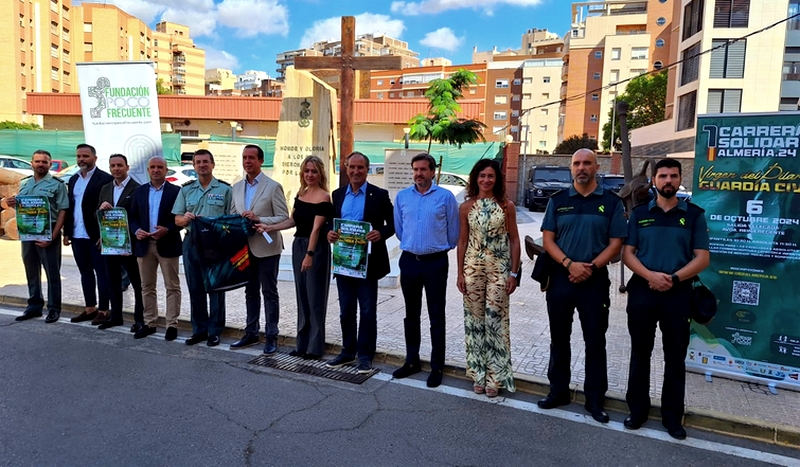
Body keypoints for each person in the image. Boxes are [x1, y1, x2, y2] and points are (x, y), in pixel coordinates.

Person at [622, 158, 710, 440]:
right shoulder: (638, 214)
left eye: (673, 175)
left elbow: (703, 258)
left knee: (675, 358)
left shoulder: (694, 215)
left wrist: (672, 279)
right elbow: (627, 254)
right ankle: (637, 410)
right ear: (655, 181)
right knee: (640, 353)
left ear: (680, 179)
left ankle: (672, 417)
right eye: (662, 176)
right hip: (643, 292)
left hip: (678, 293)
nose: (668, 180)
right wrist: (650, 276)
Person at [538, 148, 626, 423]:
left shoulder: (611, 202)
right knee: (559, 340)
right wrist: (569, 264)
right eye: (576, 163)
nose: (581, 167)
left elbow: (616, 244)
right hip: (561, 279)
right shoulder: (558, 200)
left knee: (595, 342)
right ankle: (558, 392)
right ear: (571, 168)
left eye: (587, 163)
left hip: (595, 281)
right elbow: (548, 239)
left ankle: (595, 400)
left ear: (596, 167)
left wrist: (589, 268)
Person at [392, 153, 459, 388]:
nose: (419, 173)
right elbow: (400, 230)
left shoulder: (446, 197)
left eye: (423, 169)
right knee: (411, 314)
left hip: (435, 263)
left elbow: (454, 233)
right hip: (409, 261)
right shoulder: (402, 197)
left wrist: (437, 249)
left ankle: (436, 366)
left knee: (436, 315)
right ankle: (412, 361)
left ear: (432, 171)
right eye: (415, 169)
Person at [456, 159, 520, 398]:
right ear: (475, 178)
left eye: (490, 176)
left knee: (495, 321)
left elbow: (514, 240)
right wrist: (460, 273)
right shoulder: (466, 207)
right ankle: (477, 373)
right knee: (475, 322)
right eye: (482, 175)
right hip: (472, 270)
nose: (486, 180)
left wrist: (513, 272)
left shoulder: (506, 206)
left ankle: (495, 376)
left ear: (497, 179)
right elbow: (462, 241)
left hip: (499, 270)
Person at [326, 152, 395, 373]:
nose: (356, 172)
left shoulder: (379, 195)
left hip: (368, 264)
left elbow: (393, 224)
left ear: (367, 170)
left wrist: (380, 233)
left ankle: (365, 356)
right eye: (352, 167)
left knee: (367, 311)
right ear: (346, 169)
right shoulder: (337, 195)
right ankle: (347, 351)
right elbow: (331, 223)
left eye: (361, 168)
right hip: (344, 262)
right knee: (346, 311)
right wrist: (330, 234)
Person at [258, 156, 333, 360]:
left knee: (315, 297)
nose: (310, 175)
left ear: (320, 174)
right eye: (307, 171)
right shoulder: (301, 193)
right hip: (298, 244)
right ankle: (302, 344)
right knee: (302, 296)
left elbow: (317, 229)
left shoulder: (324, 197)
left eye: (314, 171)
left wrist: (309, 255)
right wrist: (270, 227)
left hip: (315, 248)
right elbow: (293, 221)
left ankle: (315, 347)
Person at [229, 145, 290, 354]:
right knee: (250, 291)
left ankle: (271, 336)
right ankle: (251, 333)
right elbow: (231, 215)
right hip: (244, 248)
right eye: (245, 157)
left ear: (261, 161)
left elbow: (284, 217)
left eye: (252, 158)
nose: (247, 161)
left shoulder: (272, 187)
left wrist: (258, 219)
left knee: (269, 292)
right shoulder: (236, 187)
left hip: (267, 247)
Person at [173, 150, 232, 347]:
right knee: (195, 287)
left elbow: (231, 218)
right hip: (192, 242)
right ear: (194, 166)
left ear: (213, 164)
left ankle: (215, 330)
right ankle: (199, 330)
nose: (201, 165)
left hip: (216, 243)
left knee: (216, 288)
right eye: (198, 162)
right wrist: (185, 218)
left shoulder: (225, 190)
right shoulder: (186, 190)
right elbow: (177, 219)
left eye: (205, 162)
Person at [8, 150, 68, 323]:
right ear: (31, 163)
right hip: (28, 234)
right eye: (37, 161)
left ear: (50, 164)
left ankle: (54, 309)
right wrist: (13, 203)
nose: (41, 164)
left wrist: (54, 235)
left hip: (48, 233)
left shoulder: (57, 185)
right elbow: (23, 209)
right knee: (31, 270)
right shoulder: (24, 183)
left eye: (44, 162)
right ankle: (34, 306)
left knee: (52, 273)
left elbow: (63, 210)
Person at [128, 156, 183, 341]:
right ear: (148, 170)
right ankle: (150, 323)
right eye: (152, 167)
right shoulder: (139, 192)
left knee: (172, 287)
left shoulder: (176, 192)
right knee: (146, 286)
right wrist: (136, 231)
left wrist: (167, 229)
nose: (156, 170)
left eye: (160, 167)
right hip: (144, 245)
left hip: (167, 244)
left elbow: (181, 219)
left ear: (166, 170)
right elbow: (132, 217)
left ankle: (171, 325)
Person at [64, 144, 113, 324]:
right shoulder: (74, 179)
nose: (81, 159)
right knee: (85, 273)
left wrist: (105, 234)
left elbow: (109, 209)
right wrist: (67, 232)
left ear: (94, 158)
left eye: (85, 156)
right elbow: (70, 208)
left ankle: (103, 310)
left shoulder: (105, 179)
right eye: (79, 156)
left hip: (96, 236)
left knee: (102, 274)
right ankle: (90, 308)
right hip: (77, 235)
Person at [96, 154, 144, 330]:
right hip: (110, 243)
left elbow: (139, 217)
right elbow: (100, 215)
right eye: (113, 166)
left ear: (127, 167)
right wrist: (101, 210)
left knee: (137, 283)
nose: (116, 169)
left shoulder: (137, 188)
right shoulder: (105, 188)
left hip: (129, 245)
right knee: (113, 281)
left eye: (119, 165)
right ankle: (115, 316)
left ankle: (140, 319)